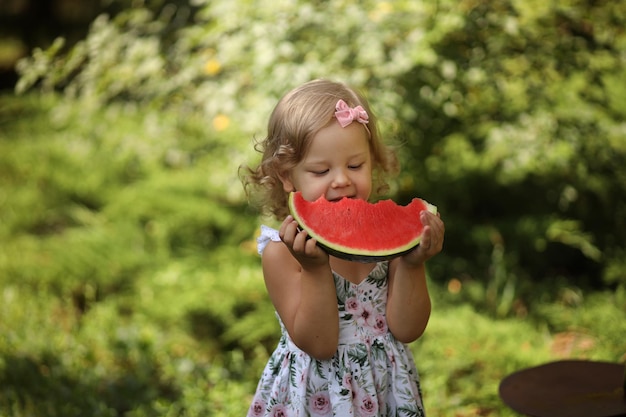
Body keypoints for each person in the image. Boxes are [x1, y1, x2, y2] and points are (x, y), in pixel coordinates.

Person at [241, 79, 445, 417]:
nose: (341, 180)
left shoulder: (387, 247)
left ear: (373, 162)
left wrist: (412, 263)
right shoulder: (281, 253)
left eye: (355, 165)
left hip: (386, 391)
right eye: (321, 170)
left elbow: (408, 329)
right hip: (318, 397)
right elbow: (319, 344)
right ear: (287, 175)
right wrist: (315, 269)